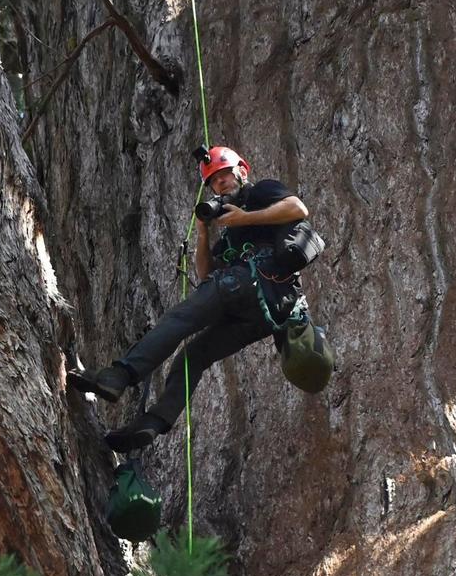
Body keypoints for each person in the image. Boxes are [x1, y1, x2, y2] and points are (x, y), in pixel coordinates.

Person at [68, 145, 314, 452]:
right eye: (214, 181)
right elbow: (204, 274)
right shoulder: (228, 236)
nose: (221, 183)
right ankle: (152, 423)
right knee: (193, 357)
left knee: (179, 319)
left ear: (242, 171)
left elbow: (297, 208)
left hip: (252, 283)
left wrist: (245, 218)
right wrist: (202, 233)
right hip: (259, 312)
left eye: (225, 175)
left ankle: (119, 376)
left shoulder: (261, 192)